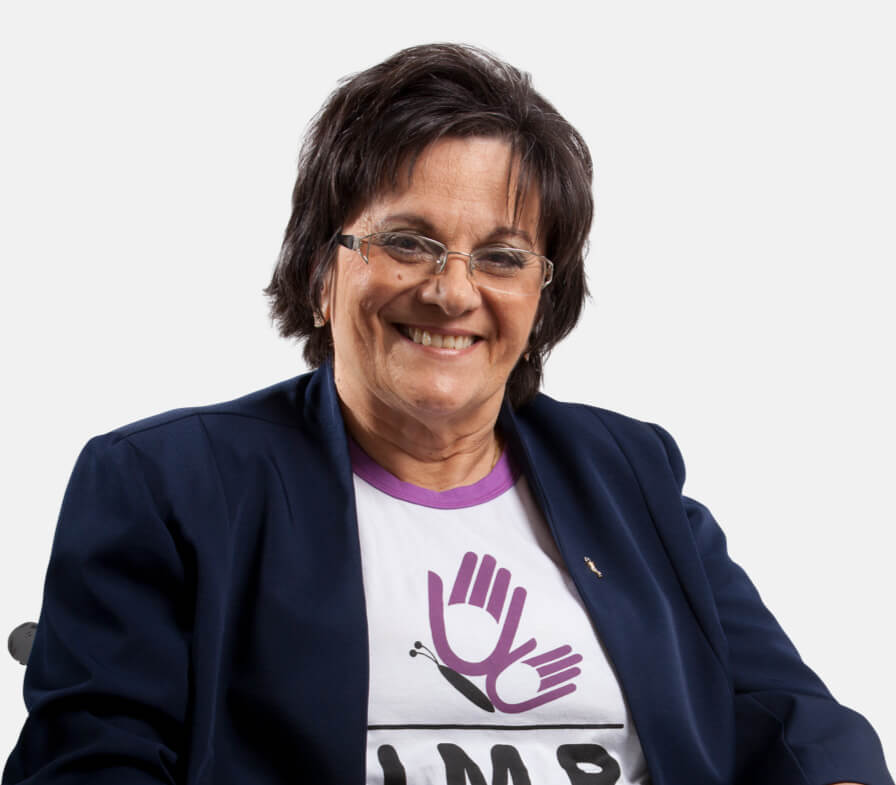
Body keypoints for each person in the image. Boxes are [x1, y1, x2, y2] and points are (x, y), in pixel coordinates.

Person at [2, 43, 891, 785]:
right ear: (320, 273)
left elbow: (795, 720)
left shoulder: (630, 472)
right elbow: (92, 762)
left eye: (501, 256)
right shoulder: (169, 485)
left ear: (541, 299)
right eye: (407, 241)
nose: (452, 290)